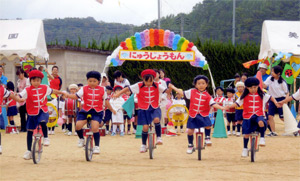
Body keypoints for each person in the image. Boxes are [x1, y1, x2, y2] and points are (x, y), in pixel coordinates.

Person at [113, 69, 167, 153]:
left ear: (153, 79)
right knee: (145, 128)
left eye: (151, 81)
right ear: (143, 79)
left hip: (154, 107)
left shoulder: (157, 85)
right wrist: (118, 94)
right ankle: (143, 145)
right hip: (143, 108)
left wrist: (175, 89)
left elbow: (166, 89)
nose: (149, 83)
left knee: (156, 120)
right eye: (146, 81)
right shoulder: (138, 85)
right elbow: (127, 88)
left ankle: (159, 137)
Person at [169, 75, 226, 154]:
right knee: (190, 131)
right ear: (195, 85)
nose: (201, 85)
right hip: (193, 115)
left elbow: (213, 104)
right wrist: (174, 87)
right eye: (199, 83)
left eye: (203, 83)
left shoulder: (208, 96)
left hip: (203, 114)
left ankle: (207, 138)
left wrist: (222, 108)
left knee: (208, 125)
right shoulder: (191, 91)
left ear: (206, 84)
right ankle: (190, 145)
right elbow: (182, 93)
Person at [226, 77, 280, 157]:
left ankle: (262, 138)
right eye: (251, 88)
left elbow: (270, 97)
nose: (253, 89)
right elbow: (237, 104)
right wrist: (228, 107)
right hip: (248, 116)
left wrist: (276, 103)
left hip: (259, 114)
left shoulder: (262, 95)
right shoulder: (244, 97)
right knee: (246, 134)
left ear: (258, 86)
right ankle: (245, 148)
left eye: (255, 87)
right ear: (247, 88)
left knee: (261, 122)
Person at [19, 70, 66, 160]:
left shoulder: (45, 87)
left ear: (40, 81)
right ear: (30, 81)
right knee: (29, 131)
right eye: (34, 80)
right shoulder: (27, 89)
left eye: (38, 80)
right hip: (32, 112)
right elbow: (20, 96)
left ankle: (46, 138)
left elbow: (53, 91)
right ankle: (28, 151)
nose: (36, 83)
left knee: (43, 121)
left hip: (43, 110)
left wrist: (61, 93)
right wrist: (18, 98)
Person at [66, 71, 113, 154]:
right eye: (90, 81)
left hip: (97, 111)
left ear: (98, 81)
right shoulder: (84, 88)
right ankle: (81, 139)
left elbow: (106, 101)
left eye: (94, 81)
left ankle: (97, 146)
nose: (92, 83)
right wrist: (67, 95)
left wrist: (112, 110)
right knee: (78, 126)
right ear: (87, 81)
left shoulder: (102, 89)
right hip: (85, 110)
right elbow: (76, 96)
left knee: (95, 128)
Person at [263, 65, 289, 136]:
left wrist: (285, 101)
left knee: (282, 117)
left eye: (273, 71)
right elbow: (264, 86)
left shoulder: (282, 82)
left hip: (281, 99)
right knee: (270, 116)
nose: (271, 73)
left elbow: (287, 92)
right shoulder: (269, 79)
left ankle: (293, 128)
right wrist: (259, 79)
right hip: (272, 99)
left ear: (278, 73)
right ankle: (273, 132)